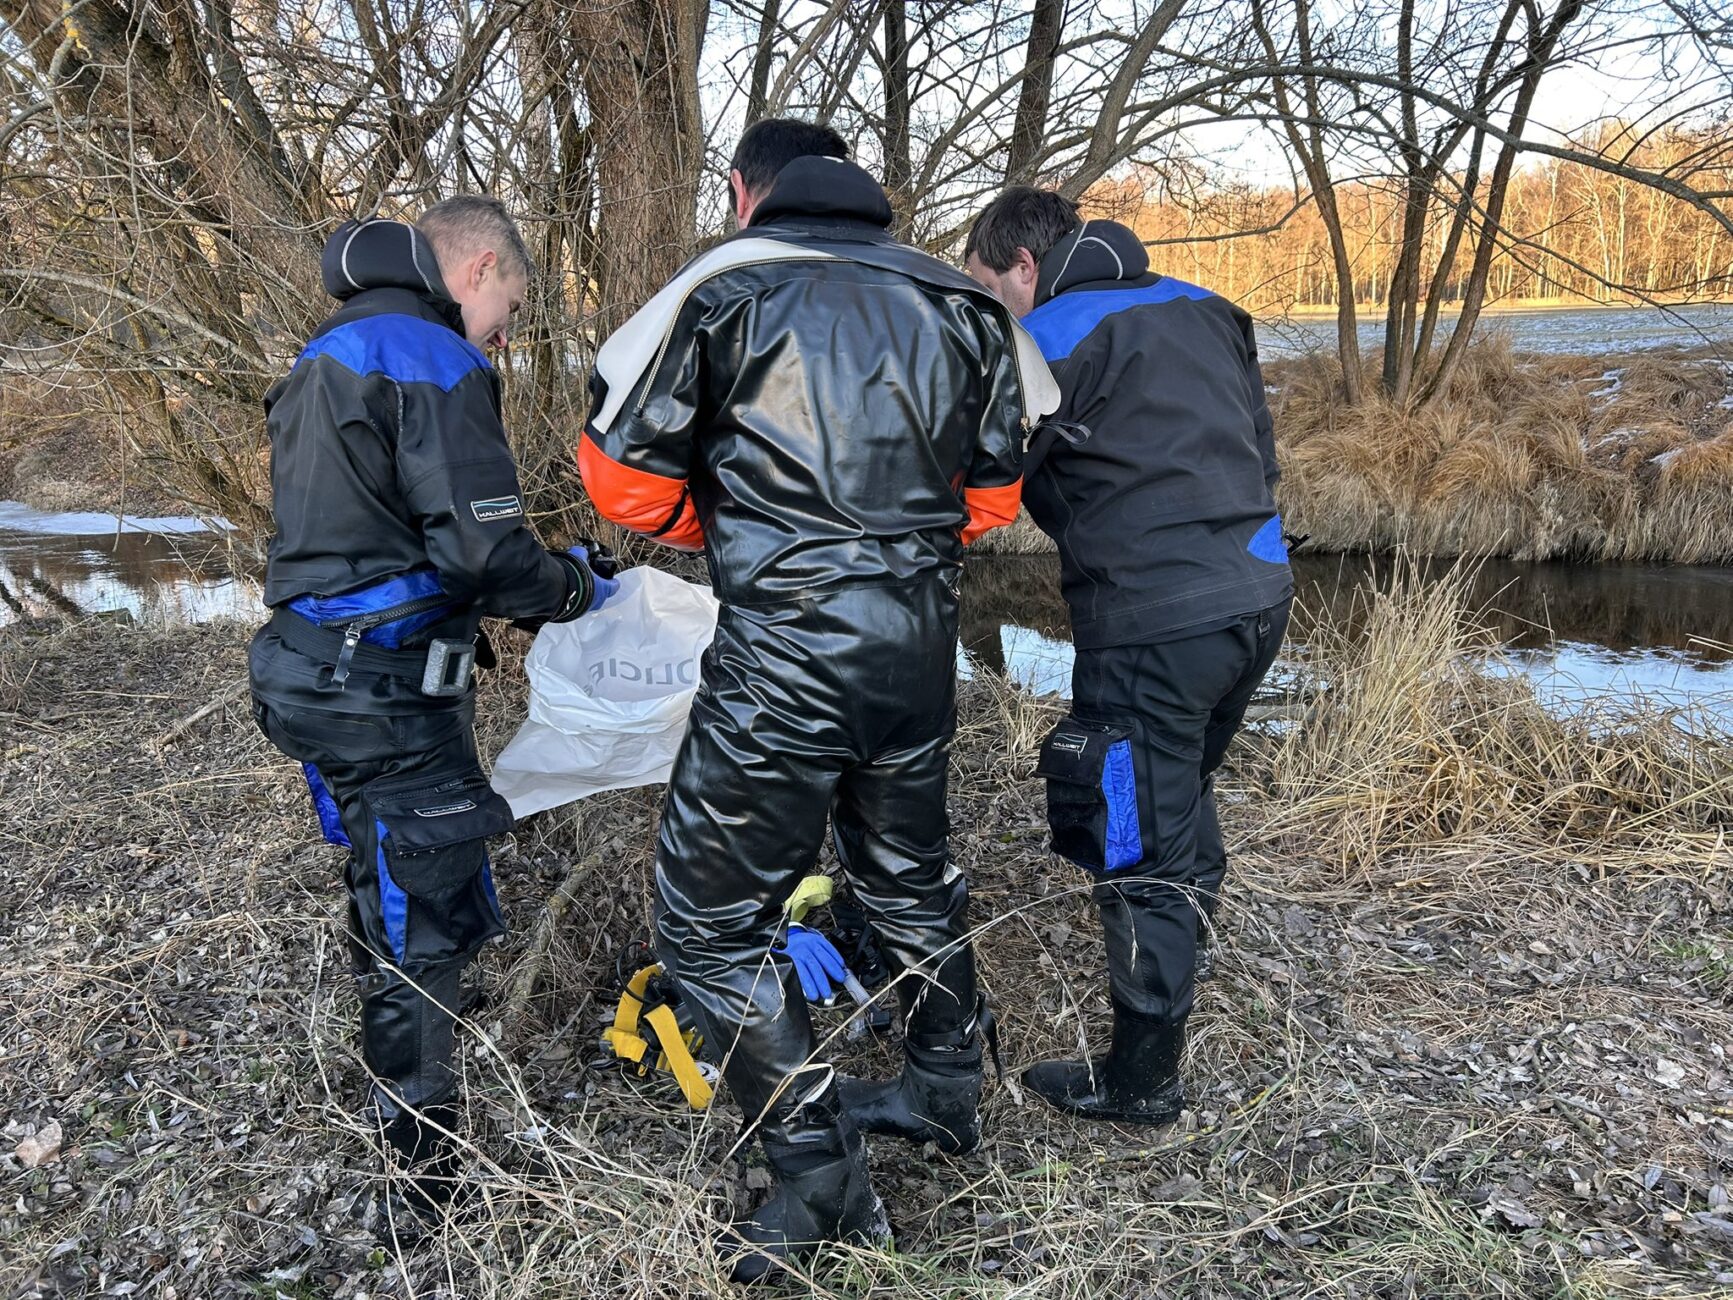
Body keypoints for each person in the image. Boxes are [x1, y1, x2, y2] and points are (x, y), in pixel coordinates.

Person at [579, 119, 1057, 1280]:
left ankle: (819, 1179)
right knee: (907, 876)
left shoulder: (718, 289)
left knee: (706, 924)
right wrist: (891, 549)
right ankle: (944, 1086)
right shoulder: (961, 300)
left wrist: (739, 531)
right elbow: (994, 496)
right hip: (914, 649)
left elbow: (620, 480)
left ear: (747, 194)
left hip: (785, 655)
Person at [248, 198, 618, 1222]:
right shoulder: (432, 358)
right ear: (479, 267)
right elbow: (482, 553)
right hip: (383, 687)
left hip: (308, 668)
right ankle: (425, 1168)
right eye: (512, 307)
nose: (504, 333)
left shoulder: (325, 353)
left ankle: (408, 1046)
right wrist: (574, 588)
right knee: (425, 911)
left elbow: (380, 534)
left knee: (383, 869)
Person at [963, 188, 1292, 1125]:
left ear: (1023, 265)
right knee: (1173, 795)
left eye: (987, 290)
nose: (989, 311)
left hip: (1151, 622)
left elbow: (974, 483)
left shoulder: (1048, 338)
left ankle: (1141, 1079)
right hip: (1257, 595)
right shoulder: (1204, 306)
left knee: (1133, 836)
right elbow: (1257, 451)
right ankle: (1179, 948)